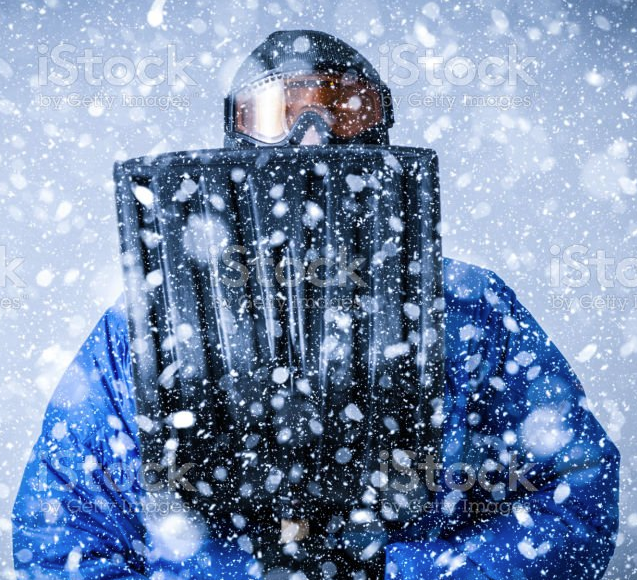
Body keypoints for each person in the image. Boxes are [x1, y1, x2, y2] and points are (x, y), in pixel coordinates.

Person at [13, 30, 619, 580]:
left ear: (381, 123)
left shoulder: (467, 309)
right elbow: (59, 537)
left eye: (346, 108)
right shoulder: (148, 326)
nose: (314, 135)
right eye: (279, 112)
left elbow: (579, 497)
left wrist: (402, 570)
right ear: (236, 134)